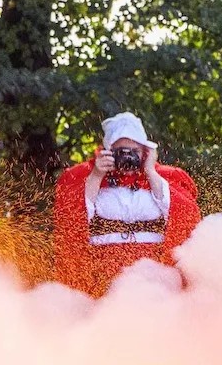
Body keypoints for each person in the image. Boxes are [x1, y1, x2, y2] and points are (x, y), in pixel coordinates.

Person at [52, 111, 199, 296]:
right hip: (101, 273)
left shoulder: (167, 176)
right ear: (107, 151)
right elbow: (68, 218)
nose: (128, 158)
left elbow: (187, 214)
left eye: (134, 151)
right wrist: (96, 176)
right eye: (120, 152)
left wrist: (150, 172)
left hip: (155, 274)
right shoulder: (82, 176)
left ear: (146, 152)